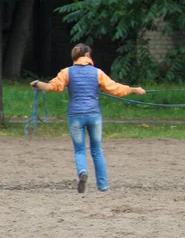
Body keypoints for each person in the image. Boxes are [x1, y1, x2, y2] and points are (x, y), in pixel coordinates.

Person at [30, 43, 146, 193]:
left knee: (79, 150)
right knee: (97, 150)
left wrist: (37, 83)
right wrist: (134, 90)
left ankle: (83, 171)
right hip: (94, 115)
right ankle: (103, 186)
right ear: (88, 56)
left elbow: (52, 87)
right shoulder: (97, 73)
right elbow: (115, 88)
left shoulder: (66, 72)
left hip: (75, 116)